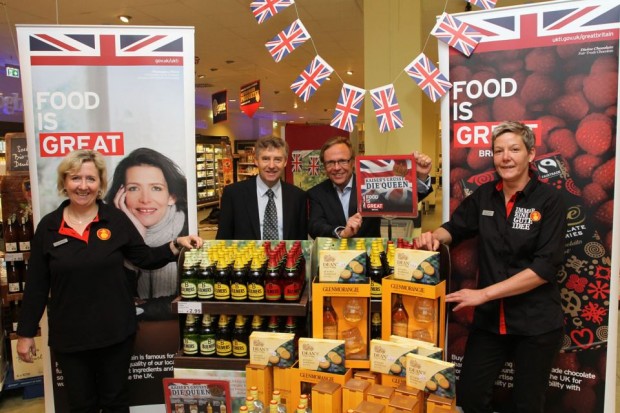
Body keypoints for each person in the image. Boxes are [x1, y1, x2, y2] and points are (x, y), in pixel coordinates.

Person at [16, 149, 202, 413]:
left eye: (90, 179)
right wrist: (25, 333)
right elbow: (36, 284)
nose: (83, 186)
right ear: (64, 182)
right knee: (81, 405)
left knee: (115, 401)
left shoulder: (116, 220)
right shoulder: (49, 226)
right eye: (75, 178)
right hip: (70, 336)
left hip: (114, 332)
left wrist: (175, 244)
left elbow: (145, 258)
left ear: (101, 184)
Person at [416, 121, 566, 413]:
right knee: (470, 397)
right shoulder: (484, 196)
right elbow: (454, 229)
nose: (505, 157)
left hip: (535, 324)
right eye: (498, 151)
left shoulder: (549, 201)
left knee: (527, 404)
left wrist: (483, 294)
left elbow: (544, 268)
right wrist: (431, 238)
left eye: (514, 149)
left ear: (531, 154)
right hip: (490, 323)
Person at [105, 148, 187, 319]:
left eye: (156, 188)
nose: (145, 199)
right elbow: (115, 300)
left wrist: (148, 308)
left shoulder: (187, 234)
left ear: (171, 196)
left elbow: (188, 301)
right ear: (121, 195)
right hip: (125, 333)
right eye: (134, 188)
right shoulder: (107, 235)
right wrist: (136, 237)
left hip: (176, 332)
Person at [307, 136, 433, 239]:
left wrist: (421, 176)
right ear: (324, 165)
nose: (336, 167)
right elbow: (315, 226)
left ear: (352, 162)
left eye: (342, 161)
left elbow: (405, 200)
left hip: (370, 260)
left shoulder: (371, 184)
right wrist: (341, 232)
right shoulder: (316, 193)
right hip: (331, 261)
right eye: (330, 162)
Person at [216, 136, 307, 240]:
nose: (271, 165)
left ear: (285, 162)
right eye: (265, 159)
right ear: (256, 160)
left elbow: (301, 243)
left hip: (285, 256)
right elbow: (223, 240)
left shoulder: (298, 197)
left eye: (277, 159)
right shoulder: (233, 194)